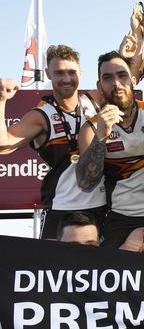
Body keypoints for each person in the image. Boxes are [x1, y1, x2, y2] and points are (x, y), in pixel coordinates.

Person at [0, 45, 106, 240]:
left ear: (81, 72)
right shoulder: (41, 115)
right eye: (59, 72)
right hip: (62, 209)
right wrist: (1, 99)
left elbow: (124, 77)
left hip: (101, 207)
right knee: (52, 266)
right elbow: (3, 144)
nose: (66, 79)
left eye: (72, 72)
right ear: (48, 73)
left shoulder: (94, 101)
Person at [76, 51, 144, 248]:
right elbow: (85, 182)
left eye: (122, 75)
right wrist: (102, 137)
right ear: (99, 86)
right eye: (107, 78)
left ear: (133, 79)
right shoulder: (91, 127)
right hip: (121, 217)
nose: (116, 83)